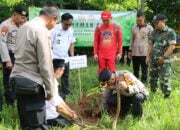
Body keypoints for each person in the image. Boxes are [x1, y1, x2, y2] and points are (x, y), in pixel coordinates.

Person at [10, 5, 59, 129]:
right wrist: (50, 90)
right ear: (53, 18)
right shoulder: (41, 30)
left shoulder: (24, 26)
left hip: (17, 80)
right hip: (32, 83)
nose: (55, 25)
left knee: (26, 124)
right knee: (36, 125)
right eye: (56, 21)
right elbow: (45, 64)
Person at [0, 5, 28, 105]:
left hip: (20, 56)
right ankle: (9, 101)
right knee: (9, 79)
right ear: (15, 14)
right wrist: (7, 60)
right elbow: (2, 43)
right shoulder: (5, 25)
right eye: (22, 17)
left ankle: (17, 98)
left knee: (19, 77)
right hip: (9, 55)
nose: (23, 20)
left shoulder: (23, 25)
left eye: (25, 18)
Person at [146, 14, 176, 98]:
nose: (154, 25)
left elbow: (172, 46)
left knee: (164, 78)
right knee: (152, 78)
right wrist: (147, 56)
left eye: (156, 23)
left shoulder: (170, 32)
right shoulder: (154, 32)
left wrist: (164, 57)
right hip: (153, 59)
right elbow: (151, 44)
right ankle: (153, 93)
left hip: (164, 60)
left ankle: (166, 95)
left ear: (163, 22)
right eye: (154, 23)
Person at [46, 59, 82, 128]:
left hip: (53, 114)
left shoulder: (52, 80)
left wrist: (70, 111)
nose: (63, 72)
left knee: (72, 123)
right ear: (58, 70)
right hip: (49, 117)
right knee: (76, 127)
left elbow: (59, 100)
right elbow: (59, 108)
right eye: (63, 70)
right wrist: (72, 116)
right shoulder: (50, 84)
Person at [51, 13, 76, 100]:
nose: (68, 26)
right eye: (66, 24)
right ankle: (53, 93)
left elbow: (72, 43)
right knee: (53, 76)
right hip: (55, 58)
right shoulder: (54, 29)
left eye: (70, 24)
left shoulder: (71, 30)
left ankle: (66, 92)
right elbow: (49, 43)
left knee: (65, 76)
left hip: (65, 58)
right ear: (61, 21)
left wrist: (72, 55)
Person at [128, 12, 153, 83]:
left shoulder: (149, 28)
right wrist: (130, 50)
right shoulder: (134, 28)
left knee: (144, 69)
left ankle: (143, 83)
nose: (138, 22)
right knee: (135, 69)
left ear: (144, 19)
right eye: (137, 20)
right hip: (135, 53)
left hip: (145, 53)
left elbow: (152, 41)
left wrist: (150, 53)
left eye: (140, 20)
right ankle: (136, 82)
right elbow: (131, 40)